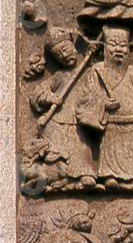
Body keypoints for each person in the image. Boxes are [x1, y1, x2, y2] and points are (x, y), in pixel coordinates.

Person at [77, 26, 133, 187]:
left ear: (129, 49)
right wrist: (103, 103)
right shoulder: (97, 71)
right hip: (112, 125)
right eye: (113, 44)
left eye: (123, 45)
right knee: (112, 153)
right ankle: (110, 175)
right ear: (104, 47)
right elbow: (86, 99)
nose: (118, 49)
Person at [30, 27, 93, 183]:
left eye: (65, 49)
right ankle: (56, 173)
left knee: (82, 149)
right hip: (58, 122)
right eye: (59, 55)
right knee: (56, 151)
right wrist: (50, 97)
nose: (64, 55)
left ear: (73, 46)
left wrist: (93, 52)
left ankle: (83, 174)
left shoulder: (89, 71)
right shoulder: (59, 76)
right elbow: (36, 95)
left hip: (80, 122)